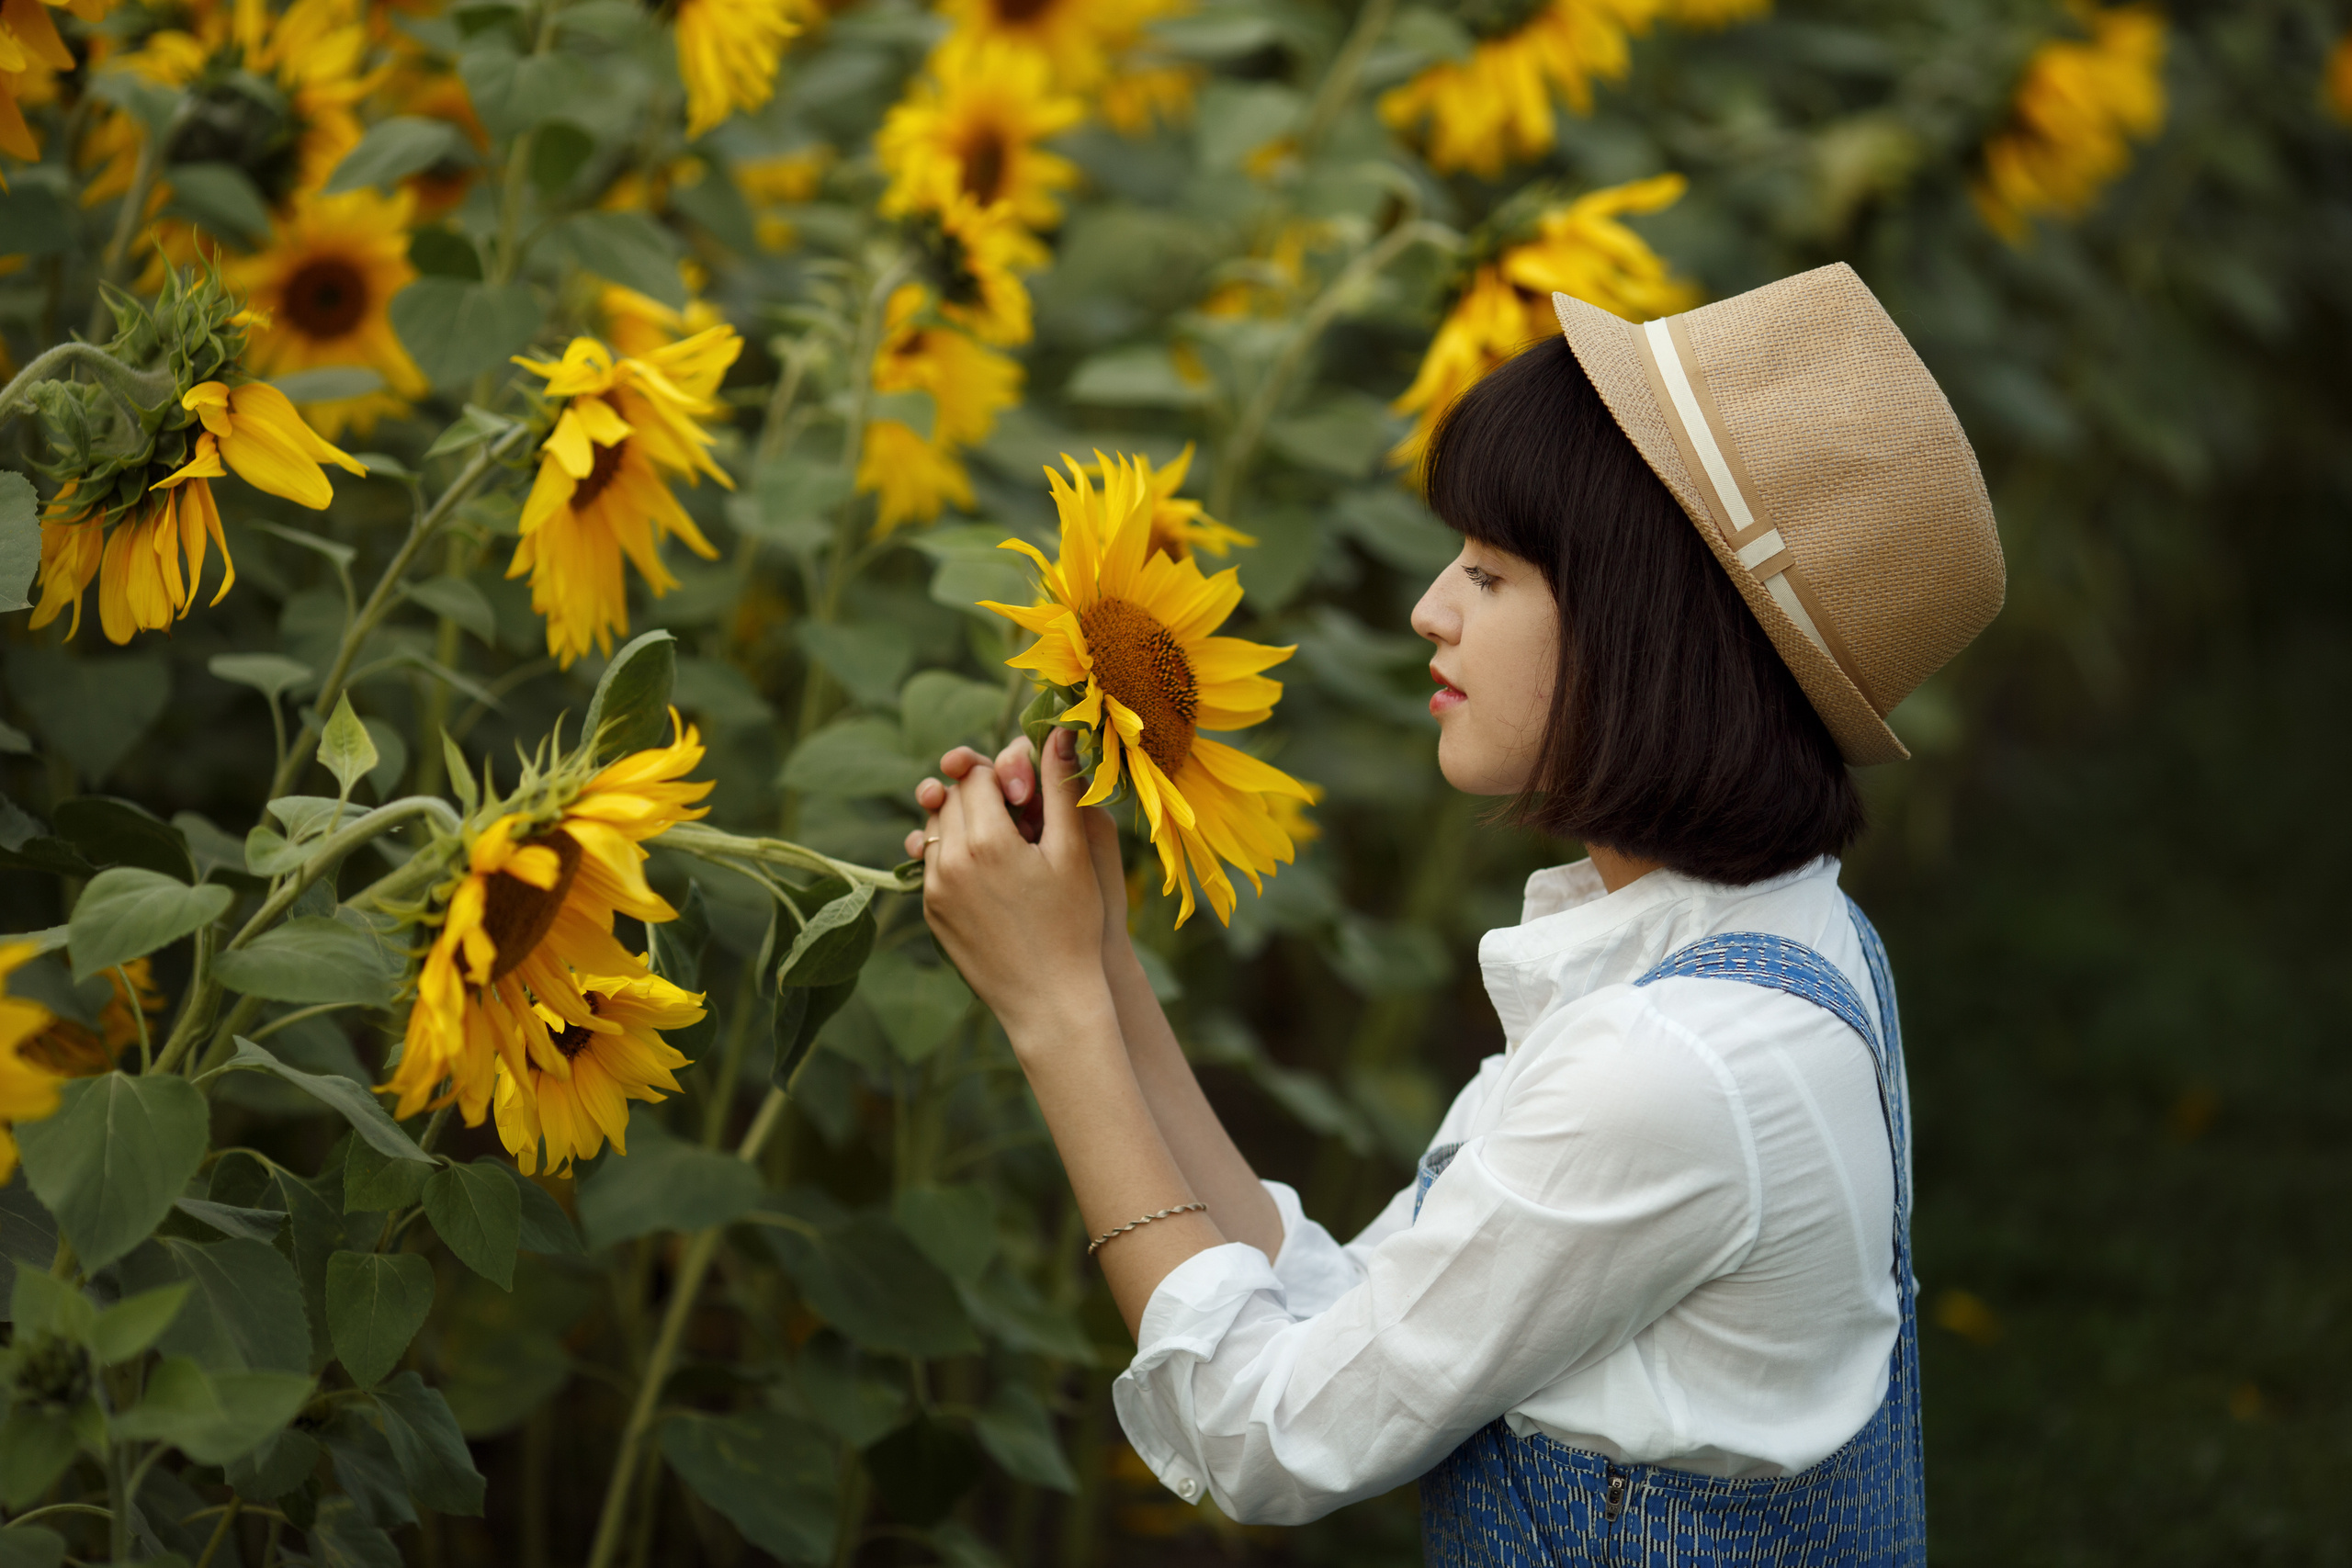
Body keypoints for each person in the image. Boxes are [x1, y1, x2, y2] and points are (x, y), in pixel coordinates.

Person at [905, 263, 2005, 1564]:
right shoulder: (1770, 952)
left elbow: (1260, 1436)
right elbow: (1353, 1317)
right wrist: (1096, 955)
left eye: (1490, 574)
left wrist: (1054, 1019)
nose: (1431, 608)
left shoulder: (1662, 1078)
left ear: (1642, 629)